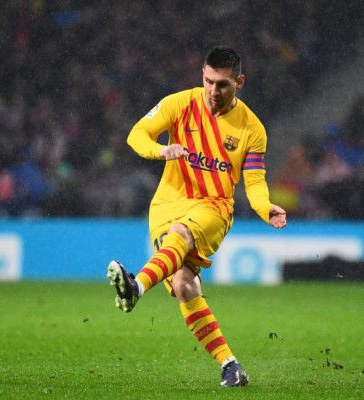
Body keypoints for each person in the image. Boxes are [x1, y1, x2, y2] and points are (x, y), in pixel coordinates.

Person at [106, 46, 287, 388]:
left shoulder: (252, 129)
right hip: (167, 203)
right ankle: (230, 366)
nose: (213, 91)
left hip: (213, 207)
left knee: (181, 233)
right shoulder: (180, 103)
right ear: (202, 75)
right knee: (183, 284)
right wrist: (161, 150)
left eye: (222, 84)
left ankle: (136, 286)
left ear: (239, 83)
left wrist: (265, 207)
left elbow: (254, 180)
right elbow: (136, 135)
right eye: (208, 81)